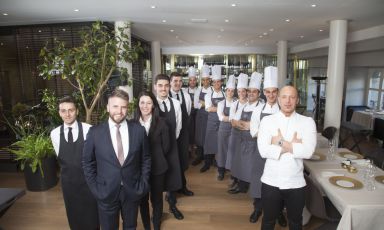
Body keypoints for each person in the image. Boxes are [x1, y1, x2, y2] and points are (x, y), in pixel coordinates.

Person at [82, 89, 151, 230]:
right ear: (107, 107)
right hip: (105, 191)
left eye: (124, 107)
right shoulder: (95, 133)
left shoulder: (139, 131)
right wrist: (95, 189)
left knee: (131, 226)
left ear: (128, 108)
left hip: (132, 190)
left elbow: (146, 159)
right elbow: (87, 162)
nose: (119, 111)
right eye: (115, 106)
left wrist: (143, 184)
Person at [258, 85, 317, 230]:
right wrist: (293, 146)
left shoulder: (307, 122)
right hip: (270, 181)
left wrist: (278, 141)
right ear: (278, 99)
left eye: (292, 97)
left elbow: (308, 151)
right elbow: (263, 151)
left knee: (296, 223)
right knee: (268, 221)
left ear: (297, 100)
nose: (288, 101)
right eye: (284, 97)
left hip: (296, 183)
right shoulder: (267, 121)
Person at [50, 96, 99, 230]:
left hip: (88, 183)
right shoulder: (54, 134)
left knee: (92, 218)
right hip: (69, 185)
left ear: (77, 111)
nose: (67, 114)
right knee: (74, 218)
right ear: (59, 113)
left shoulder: (89, 129)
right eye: (63, 111)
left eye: (71, 110)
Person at [248, 66, 286, 226]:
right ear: (264, 92)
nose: (271, 95)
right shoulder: (257, 110)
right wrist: (272, 137)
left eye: (274, 92)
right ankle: (258, 208)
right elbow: (253, 131)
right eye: (268, 92)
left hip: (280, 152)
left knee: (279, 181)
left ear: (277, 92)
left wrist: (270, 137)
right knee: (258, 179)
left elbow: (287, 133)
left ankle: (278, 212)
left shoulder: (284, 110)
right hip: (261, 151)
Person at [135, 91, 170, 230]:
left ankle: (156, 224)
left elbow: (166, 147)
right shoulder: (132, 124)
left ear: (153, 105)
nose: (145, 106)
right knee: (142, 200)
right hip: (139, 170)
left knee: (156, 199)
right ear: (138, 105)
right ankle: (146, 226)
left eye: (149, 103)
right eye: (142, 102)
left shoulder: (162, 123)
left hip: (157, 168)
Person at [154, 74, 184, 220]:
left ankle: (172, 205)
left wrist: (169, 143)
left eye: (166, 85)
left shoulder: (176, 104)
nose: (163, 88)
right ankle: (157, 211)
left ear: (169, 86)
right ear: (155, 87)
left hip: (171, 146)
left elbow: (178, 128)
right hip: (155, 150)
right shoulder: (150, 104)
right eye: (160, 85)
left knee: (172, 177)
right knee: (157, 180)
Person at [229, 72, 263, 194]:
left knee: (252, 167)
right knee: (241, 164)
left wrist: (245, 125)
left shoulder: (261, 107)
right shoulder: (244, 106)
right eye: (249, 91)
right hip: (242, 140)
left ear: (259, 93)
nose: (250, 94)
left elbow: (259, 127)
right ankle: (242, 187)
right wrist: (247, 125)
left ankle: (252, 188)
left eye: (254, 91)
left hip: (254, 143)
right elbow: (233, 122)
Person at [169, 72, 194, 196]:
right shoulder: (165, 96)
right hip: (168, 136)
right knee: (171, 162)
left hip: (183, 134)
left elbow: (187, 113)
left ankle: (182, 186)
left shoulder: (187, 97)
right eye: (175, 81)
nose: (178, 83)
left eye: (180, 81)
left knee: (182, 160)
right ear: (170, 82)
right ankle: (171, 191)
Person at [225, 73, 249, 188]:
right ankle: (235, 179)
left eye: (243, 91)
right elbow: (232, 122)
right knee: (234, 158)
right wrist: (245, 126)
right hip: (235, 135)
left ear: (246, 91)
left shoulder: (251, 104)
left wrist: (239, 123)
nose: (241, 94)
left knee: (243, 159)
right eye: (239, 92)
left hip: (246, 137)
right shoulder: (234, 104)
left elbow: (238, 122)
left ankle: (242, 182)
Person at [201, 65, 225, 172]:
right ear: (212, 83)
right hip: (211, 122)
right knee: (209, 141)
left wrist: (215, 108)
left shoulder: (225, 94)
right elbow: (208, 108)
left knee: (220, 142)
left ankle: (218, 162)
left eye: (218, 82)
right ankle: (207, 163)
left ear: (221, 82)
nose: (216, 84)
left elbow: (213, 108)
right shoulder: (208, 95)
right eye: (214, 82)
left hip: (222, 122)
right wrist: (221, 108)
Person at [216, 75, 236, 181]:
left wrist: (227, 117)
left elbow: (234, 117)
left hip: (234, 130)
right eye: (229, 90)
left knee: (232, 150)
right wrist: (232, 118)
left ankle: (232, 171)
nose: (230, 93)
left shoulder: (236, 102)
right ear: (226, 90)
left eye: (232, 91)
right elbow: (220, 117)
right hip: (223, 130)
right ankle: (221, 171)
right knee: (222, 150)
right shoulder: (221, 103)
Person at [191, 65, 212, 166]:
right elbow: (195, 104)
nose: (205, 82)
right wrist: (206, 104)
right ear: (201, 81)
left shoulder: (212, 90)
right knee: (199, 136)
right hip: (200, 117)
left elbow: (213, 105)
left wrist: (202, 103)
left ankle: (208, 160)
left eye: (207, 80)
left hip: (209, 116)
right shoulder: (198, 90)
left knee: (208, 137)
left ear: (210, 80)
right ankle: (199, 156)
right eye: (204, 80)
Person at [184, 66, 198, 154]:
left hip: (197, 115)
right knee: (189, 132)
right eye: (190, 80)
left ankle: (195, 148)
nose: (192, 82)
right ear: (188, 81)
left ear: (196, 81)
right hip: (189, 115)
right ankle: (189, 149)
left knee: (196, 132)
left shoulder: (199, 90)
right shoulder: (185, 91)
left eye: (194, 80)